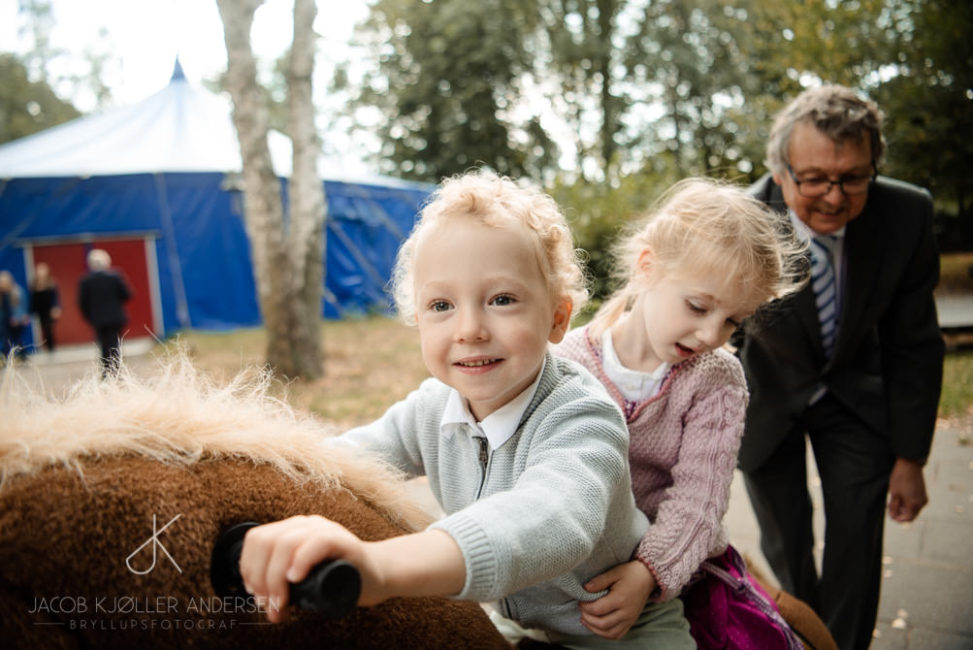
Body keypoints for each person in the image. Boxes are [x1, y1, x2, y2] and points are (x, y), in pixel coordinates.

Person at [239, 170, 695, 649]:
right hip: (516, 620)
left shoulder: (582, 416)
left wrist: (379, 568)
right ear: (417, 320)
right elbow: (341, 463)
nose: (469, 329)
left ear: (557, 318)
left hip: (620, 628)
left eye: (502, 299)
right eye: (441, 305)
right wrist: (256, 483)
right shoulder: (431, 409)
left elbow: (550, 519)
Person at [734, 84, 945, 650]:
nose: (834, 197)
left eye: (853, 178)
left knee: (856, 538)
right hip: (766, 397)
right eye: (814, 179)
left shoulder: (905, 214)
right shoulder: (738, 220)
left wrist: (911, 457)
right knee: (787, 545)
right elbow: (709, 331)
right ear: (780, 173)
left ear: (873, 166)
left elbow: (914, 343)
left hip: (854, 398)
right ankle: (806, 633)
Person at [552, 178, 806, 642]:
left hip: (674, 565)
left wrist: (648, 572)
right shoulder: (565, 362)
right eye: (697, 306)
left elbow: (699, 499)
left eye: (732, 320)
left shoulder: (717, 379)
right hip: (567, 569)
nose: (712, 334)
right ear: (648, 267)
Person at [78, 249, 132, 376]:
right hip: (115, 318)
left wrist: (90, 317)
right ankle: (116, 370)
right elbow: (127, 294)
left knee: (103, 345)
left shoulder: (86, 281)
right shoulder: (115, 277)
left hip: (98, 319)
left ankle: (106, 372)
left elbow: (82, 303)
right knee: (115, 344)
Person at [28, 262, 62, 353]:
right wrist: (31, 311)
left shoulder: (51, 283)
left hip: (49, 309)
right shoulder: (34, 284)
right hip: (40, 309)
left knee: (49, 327)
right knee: (43, 327)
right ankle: (47, 346)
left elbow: (55, 297)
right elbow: (32, 299)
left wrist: (56, 308)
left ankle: (51, 348)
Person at [1, 270, 30, 362]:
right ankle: (8, 357)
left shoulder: (17, 291)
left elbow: (21, 305)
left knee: (17, 338)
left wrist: (21, 317)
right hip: (7, 320)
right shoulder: (4, 293)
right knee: (8, 339)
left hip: (17, 319)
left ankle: (23, 356)